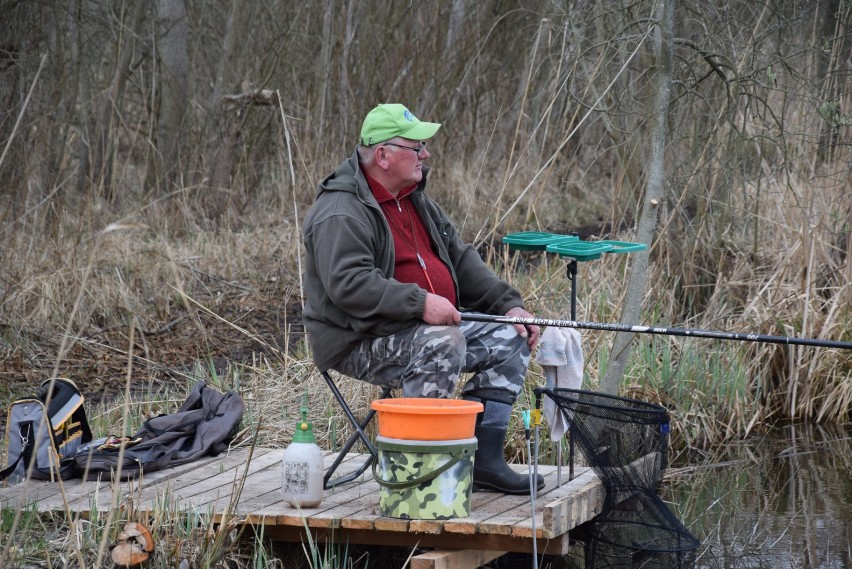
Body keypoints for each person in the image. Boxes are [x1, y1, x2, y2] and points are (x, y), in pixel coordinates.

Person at [302, 103, 542, 494]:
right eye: (417, 147)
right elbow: (348, 284)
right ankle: (422, 479)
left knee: (510, 336)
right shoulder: (340, 210)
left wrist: (508, 305)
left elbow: (460, 257)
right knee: (443, 342)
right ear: (383, 155)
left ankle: (485, 462)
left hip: (415, 328)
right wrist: (421, 304)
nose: (426, 154)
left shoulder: (412, 198)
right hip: (358, 339)